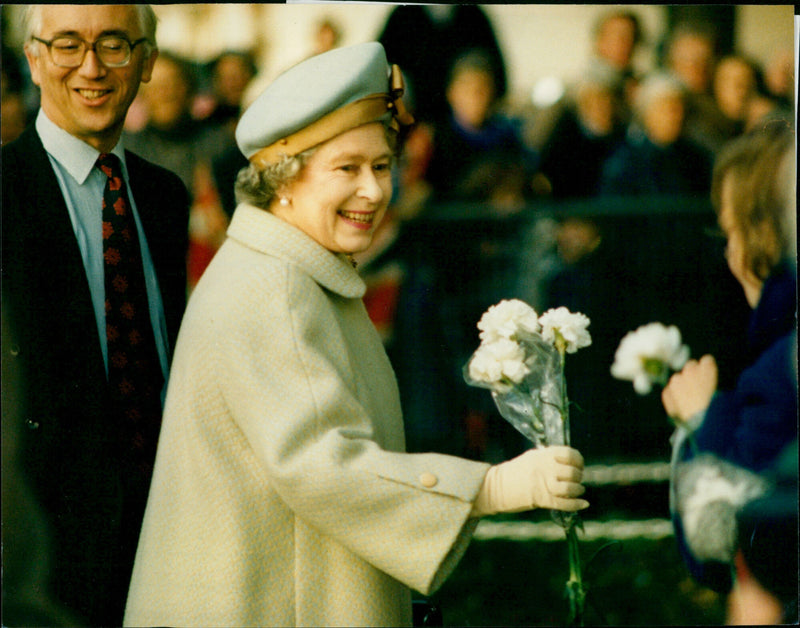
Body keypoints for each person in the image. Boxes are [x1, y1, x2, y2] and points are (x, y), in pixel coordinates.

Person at [123, 42, 590, 627]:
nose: (374, 190)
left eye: (382, 165)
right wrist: (490, 488)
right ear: (283, 180)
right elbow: (323, 464)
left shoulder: (290, 269)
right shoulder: (279, 287)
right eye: (347, 168)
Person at [1, 5, 189, 625]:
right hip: (46, 560)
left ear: (148, 61)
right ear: (33, 58)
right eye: (66, 45)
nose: (91, 68)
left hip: (170, 532)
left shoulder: (163, 197)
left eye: (113, 44)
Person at [662, 122, 797, 594]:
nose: (729, 254)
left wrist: (700, 420)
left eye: (731, 232)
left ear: (766, 232)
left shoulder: (782, 369)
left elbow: (726, 542)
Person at [599, 72, 712, 196]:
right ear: (647, 114)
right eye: (668, 109)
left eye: (681, 109)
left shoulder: (696, 159)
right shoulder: (625, 164)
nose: (677, 117)